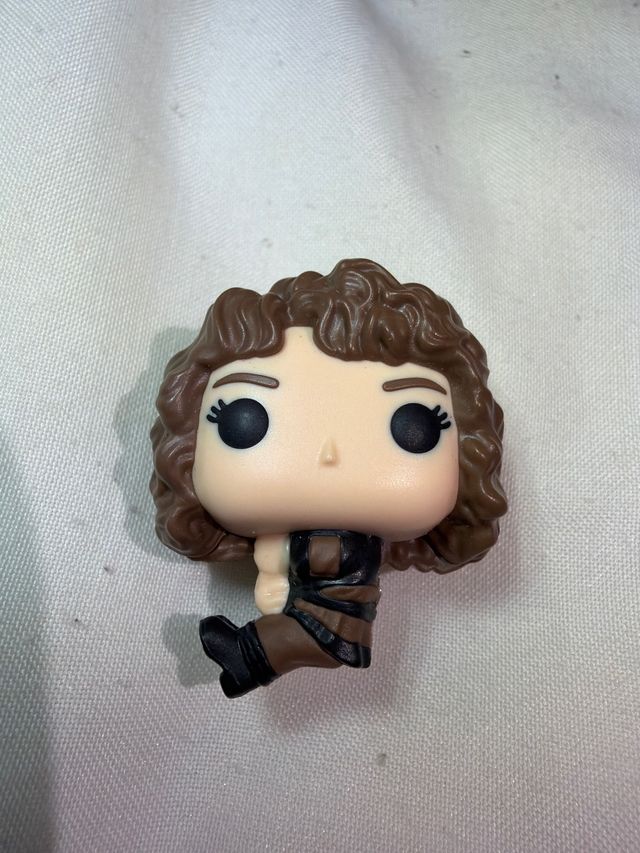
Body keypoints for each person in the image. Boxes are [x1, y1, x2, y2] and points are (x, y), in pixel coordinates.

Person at [150, 258, 507, 697]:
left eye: (416, 424)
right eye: (244, 419)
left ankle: (253, 656)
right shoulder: (313, 540)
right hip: (327, 595)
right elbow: (282, 560)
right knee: (316, 627)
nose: (329, 452)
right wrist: (274, 573)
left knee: (321, 632)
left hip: (340, 603)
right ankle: (254, 655)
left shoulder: (355, 550)